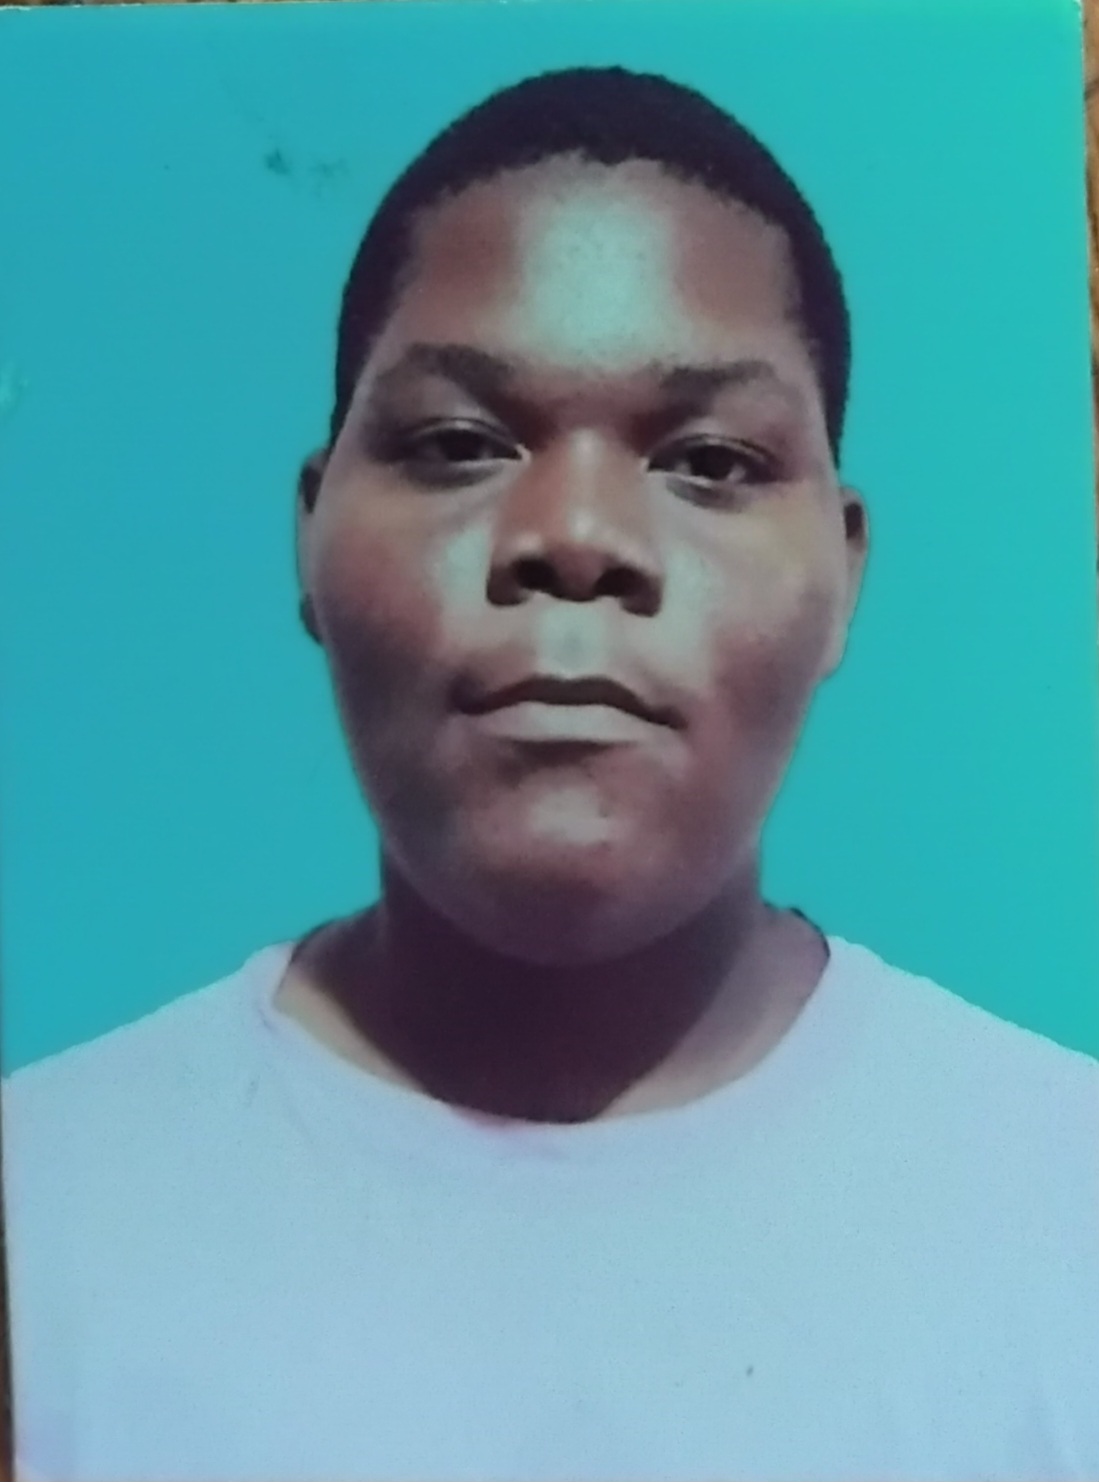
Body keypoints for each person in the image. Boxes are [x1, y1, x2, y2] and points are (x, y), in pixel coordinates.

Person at [3, 65, 1097, 1482]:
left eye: (711, 460)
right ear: (309, 538)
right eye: (459, 444)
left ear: (844, 574)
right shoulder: (46, 1214)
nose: (576, 535)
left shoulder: (1063, 1209)